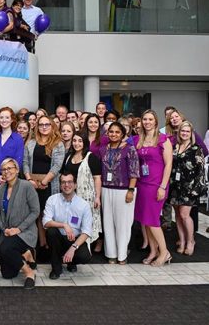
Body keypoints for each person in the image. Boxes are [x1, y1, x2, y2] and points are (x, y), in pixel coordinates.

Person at [134, 109, 173, 267]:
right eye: (145, 119)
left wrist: (162, 187)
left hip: (157, 184)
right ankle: (153, 251)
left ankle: (164, 252)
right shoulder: (138, 139)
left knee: (153, 220)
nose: (147, 122)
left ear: (156, 122)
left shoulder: (164, 139)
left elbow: (169, 164)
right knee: (145, 220)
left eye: (150, 119)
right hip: (142, 183)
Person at [0, 158, 39, 289]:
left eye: (10, 168)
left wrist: (18, 229)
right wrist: (4, 229)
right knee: (7, 274)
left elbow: (35, 211)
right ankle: (26, 254)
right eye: (4, 169)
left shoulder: (26, 186)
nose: (7, 171)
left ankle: (29, 273)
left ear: (17, 170)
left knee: (4, 249)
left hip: (25, 232)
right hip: (8, 232)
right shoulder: (0, 189)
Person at [23, 115, 65, 252]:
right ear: (37, 127)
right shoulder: (30, 143)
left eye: (47, 124)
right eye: (41, 124)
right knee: (36, 213)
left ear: (52, 126)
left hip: (49, 184)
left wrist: (44, 181)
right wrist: (29, 180)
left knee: (48, 214)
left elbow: (57, 166)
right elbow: (25, 163)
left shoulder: (58, 143)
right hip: (32, 185)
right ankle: (41, 244)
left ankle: (51, 245)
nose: (44, 127)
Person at [99, 122, 139, 264]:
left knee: (123, 224)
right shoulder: (103, 149)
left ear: (122, 134)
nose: (114, 134)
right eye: (111, 132)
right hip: (106, 189)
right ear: (107, 133)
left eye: (117, 132)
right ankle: (111, 254)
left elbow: (134, 171)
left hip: (124, 190)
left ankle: (122, 255)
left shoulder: (129, 149)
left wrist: (130, 190)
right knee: (108, 223)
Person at [43, 172, 92, 279]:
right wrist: (64, 225)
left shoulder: (84, 205)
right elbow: (46, 222)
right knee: (51, 231)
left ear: (75, 185)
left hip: (74, 240)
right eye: (63, 182)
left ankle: (71, 261)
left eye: (70, 182)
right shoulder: (52, 200)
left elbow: (87, 231)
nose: (66, 185)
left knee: (85, 257)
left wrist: (73, 248)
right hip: (58, 239)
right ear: (60, 185)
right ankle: (56, 268)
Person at [170, 121, 205, 256]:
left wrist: (197, 188)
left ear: (191, 133)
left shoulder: (196, 149)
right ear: (179, 133)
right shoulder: (175, 147)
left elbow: (201, 171)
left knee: (185, 215)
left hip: (189, 187)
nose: (184, 133)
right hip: (175, 186)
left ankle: (191, 241)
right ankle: (182, 240)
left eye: (187, 131)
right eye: (182, 131)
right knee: (178, 216)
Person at [62, 132, 102, 246]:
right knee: (74, 221)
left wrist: (97, 197)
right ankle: (75, 245)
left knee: (86, 221)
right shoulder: (68, 157)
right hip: (71, 198)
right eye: (74, 141)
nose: (76, 143)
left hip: (86, 198)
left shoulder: (91, 157)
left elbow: (97, 178)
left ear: (84, 143)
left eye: (80, 141)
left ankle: (86, 246)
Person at [0, 107, 24, 192]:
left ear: (12, 120)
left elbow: (18, 161)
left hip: (12, 180)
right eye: (1, 117)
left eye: (7, 117)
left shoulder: (18, 138)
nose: (4, 120)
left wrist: (7, 177)